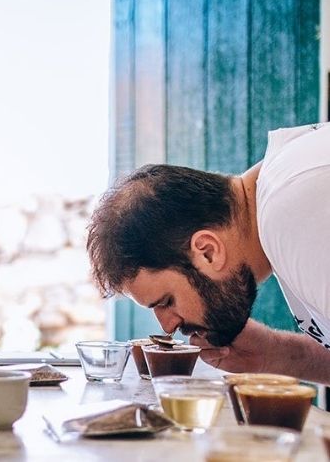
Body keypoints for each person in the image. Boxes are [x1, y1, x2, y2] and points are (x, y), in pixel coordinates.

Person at [86, 122, 330, 385]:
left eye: (166, 301)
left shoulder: (294, 202)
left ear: (207, 251)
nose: (167, 327)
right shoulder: (287, 183)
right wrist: (273, 354)